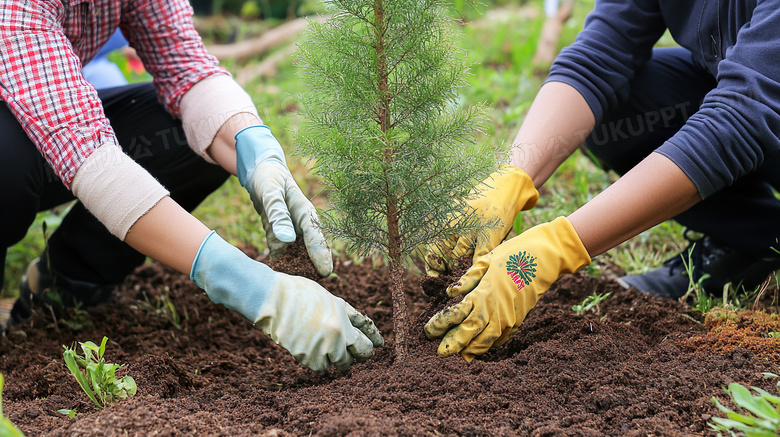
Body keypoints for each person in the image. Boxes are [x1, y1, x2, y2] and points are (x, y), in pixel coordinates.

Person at [0, 0, 383, 373]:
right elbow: (88, 157)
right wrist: (256, 289)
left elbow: (187, 69)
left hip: (42, 118)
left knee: (187, 135)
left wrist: (258, 152)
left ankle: (64, 289)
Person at [424, 0, 780, 362]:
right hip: (752, 94)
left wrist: (558, 246)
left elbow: (743, 117)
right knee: (616, 115)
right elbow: (601, 51)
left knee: (733, 120)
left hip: (762, 107)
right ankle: (755, 239)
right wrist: (513, 176)